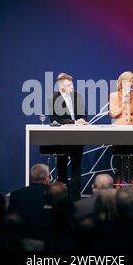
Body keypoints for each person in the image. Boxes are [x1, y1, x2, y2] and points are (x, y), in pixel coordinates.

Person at [45, 73, 87, 201]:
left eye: (72, 84)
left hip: (77, 136)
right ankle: (63, 198)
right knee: (61, 168)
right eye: (69, 85)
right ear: (61, 86)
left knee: (76, 167)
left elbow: (84, 115)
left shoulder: (77, 97)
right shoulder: (52, 99)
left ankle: (75, 198)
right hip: (62, 137)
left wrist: (83, 120)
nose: (72, 87)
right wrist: (74, 122)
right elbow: (55, 120)